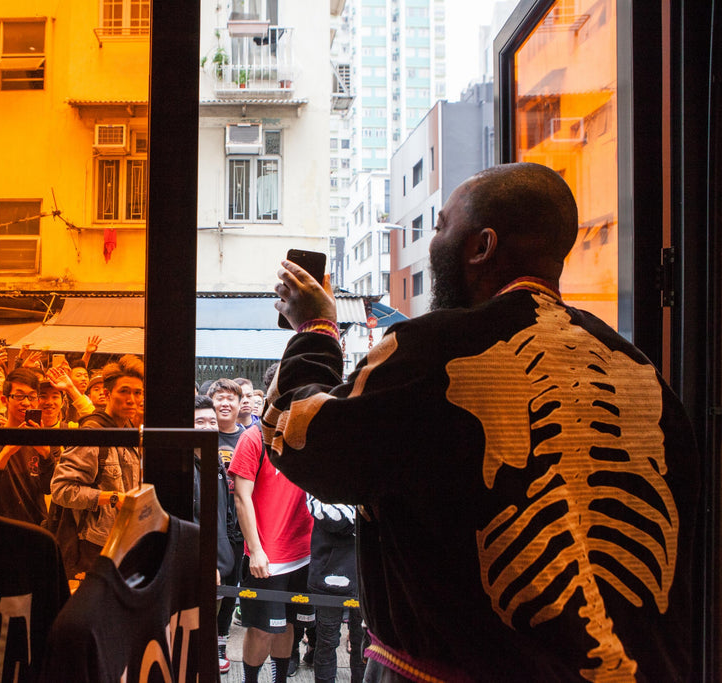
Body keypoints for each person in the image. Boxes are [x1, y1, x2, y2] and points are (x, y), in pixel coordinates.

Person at [268, 162, 701, 682]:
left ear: (481, 246)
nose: (432, 244)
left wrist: (315, 328)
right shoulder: (643, 374)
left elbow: (299, 435)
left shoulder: (430, 352)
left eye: (441, 227)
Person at [230, 420, 314, 683]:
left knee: (288, 625)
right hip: (268, 554)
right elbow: (241, 496)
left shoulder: (309, 432)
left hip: (305, 550)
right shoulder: (253, 438)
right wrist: (255, 549)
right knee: (261, 629)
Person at [49, 355, 144, 578]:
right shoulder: (93, 434)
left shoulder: (128, 431)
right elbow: (60, 490)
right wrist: (111, 497)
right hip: (93, 547)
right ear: (108, 394)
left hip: (123, 542)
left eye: (137, 393)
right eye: (124, 391)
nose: (132, 399)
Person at [0, 368, 63, 527]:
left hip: (35, 527)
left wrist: (46, 454)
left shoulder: (47, 441)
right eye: (19, 396)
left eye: (32, 397)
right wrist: (6, 452)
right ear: (5, 400)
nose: (26, 402)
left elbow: (49, 488)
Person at [193, 394, 236, 674]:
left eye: (212, 421)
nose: (208, 426)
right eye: (200, 422)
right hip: (199, 566)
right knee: (195, 633)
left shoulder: (215, 461)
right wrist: (206, 563)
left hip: (221, 563)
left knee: (208, 631)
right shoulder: (183, 467)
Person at [304, 494, 364, 683]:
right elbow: (328, 516)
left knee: (362, 641)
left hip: (365, 572)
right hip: (329, 573)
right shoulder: (320, 477)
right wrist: (361, 514)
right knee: (327, 641)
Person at [206, 377, 247, 654]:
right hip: (211, 520)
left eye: (230, 398)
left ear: (239, 404)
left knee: (232, 583)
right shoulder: (203, 433)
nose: (224, 403)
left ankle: (221, 639)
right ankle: (205, 639)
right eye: (219, 398)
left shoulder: (249, 437)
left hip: (239, 523)